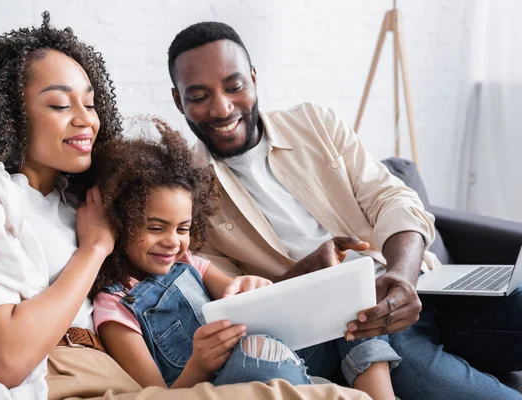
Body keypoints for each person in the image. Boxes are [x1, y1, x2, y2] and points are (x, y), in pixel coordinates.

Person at [0, 12, 371, 400]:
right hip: (46, 384)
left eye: (91, 103)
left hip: (122, 383)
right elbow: (7, 358)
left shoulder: (77, 198)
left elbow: (172, 252)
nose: (86, 119)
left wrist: (242, 290)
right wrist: (94, 248)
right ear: (8, 112)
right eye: (60, 104)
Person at [166, 21, 522, 400]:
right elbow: (240, 306)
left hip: (420, 284)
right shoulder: (189, 194)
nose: (222, 108)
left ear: (254, 79)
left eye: (234, 86)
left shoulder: (316, 124)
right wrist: (309, 276)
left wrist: (403, 277)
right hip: (357, 327)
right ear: (178, 101)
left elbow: (394, 200)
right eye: (199, 96)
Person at [89, 121, 400, 399]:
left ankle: (377, 394)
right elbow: (158, 395)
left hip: (277, 355)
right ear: (121, 221)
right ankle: (312, 385)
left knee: (349, 294)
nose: (172, 241)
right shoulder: (115, 306)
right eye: (155, 228)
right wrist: (199, 364)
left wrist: (252, 287)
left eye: (182, 228)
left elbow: (238, 298)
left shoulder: (187, 262)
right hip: (230, 381)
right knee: (256, 354)